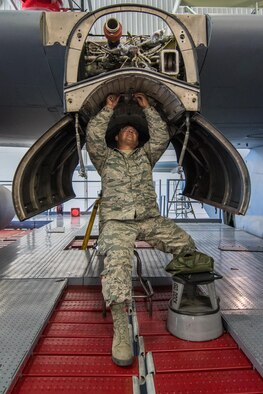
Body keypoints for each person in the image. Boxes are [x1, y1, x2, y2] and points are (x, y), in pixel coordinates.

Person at [86, 92, 213, 367]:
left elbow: (160, 137)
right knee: (118, 266)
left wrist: (148, 109)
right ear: (117, 138)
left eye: (133, 130)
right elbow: (93, 138)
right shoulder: (105, 159)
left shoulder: (146, 156)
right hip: (117, 223)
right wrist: (108, 109)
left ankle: (189, 291)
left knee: (185, 243)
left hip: (148, 218)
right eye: (124, 130)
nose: (129, 130)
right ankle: (121, 330)